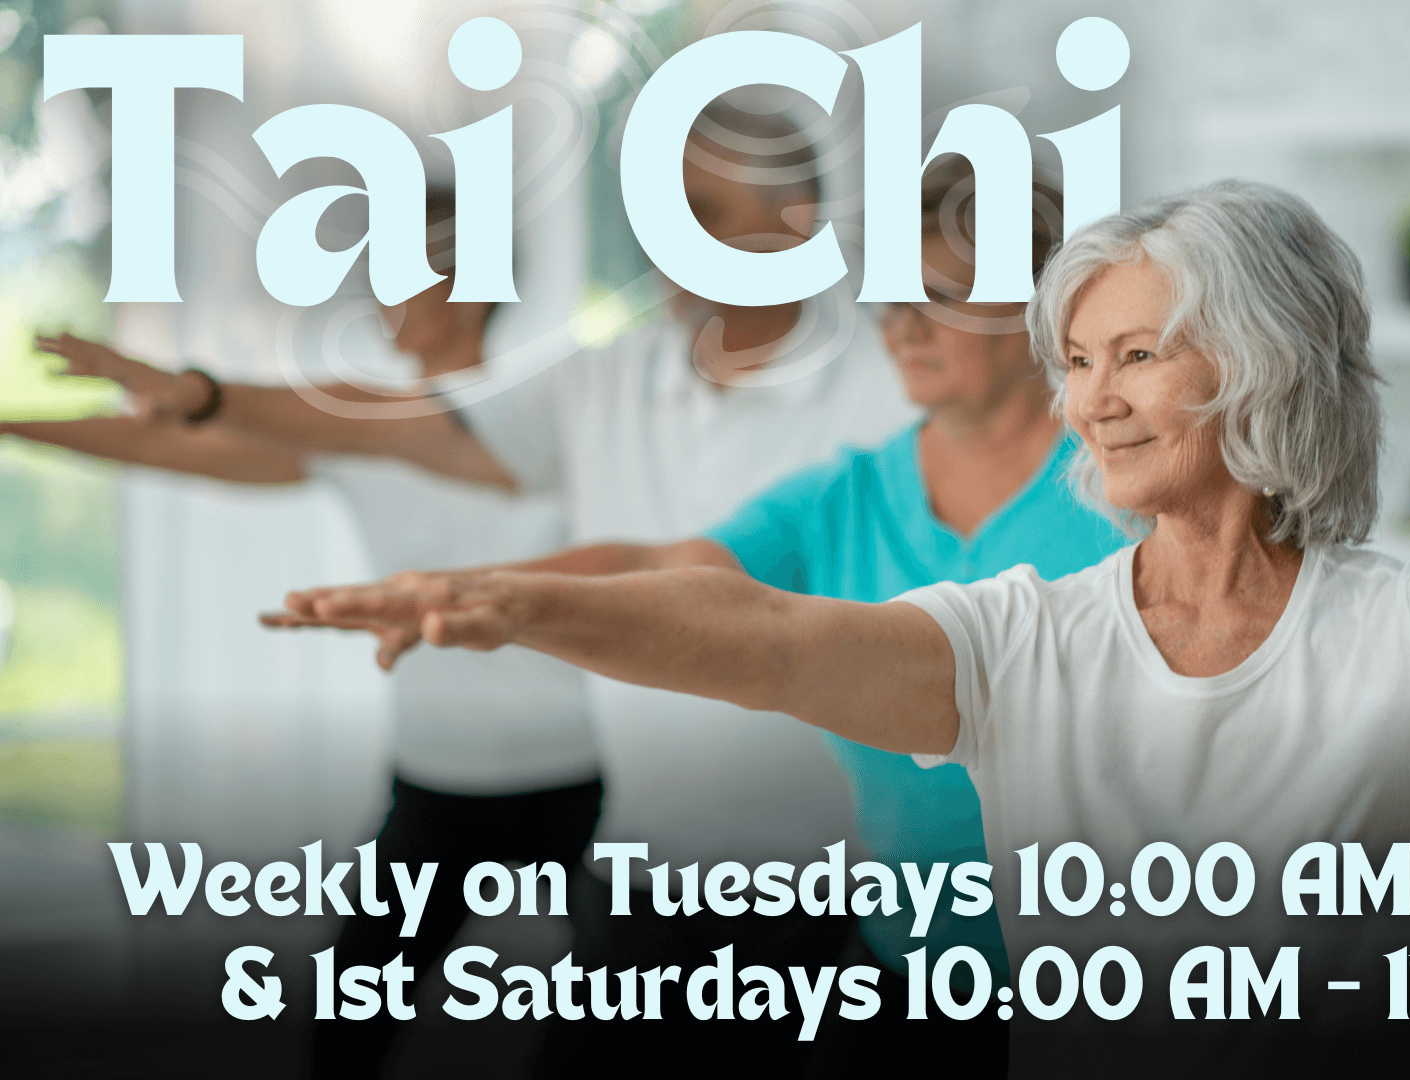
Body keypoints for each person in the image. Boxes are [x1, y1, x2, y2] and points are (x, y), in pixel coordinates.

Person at [268, 179, 1410, 1074]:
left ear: (1263, 366)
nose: (1096, 397)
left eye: (1139, 354)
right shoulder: (1014, 640)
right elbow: (757, 635)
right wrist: (507, 599)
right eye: (1083, 357)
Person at [35, 99, 919, 1064]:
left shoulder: (896, 387)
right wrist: (201, 394)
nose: (669, 244)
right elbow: (394, 427)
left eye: (702, 211)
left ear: (795, 228)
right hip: (643, 859)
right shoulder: (595, 383)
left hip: (845, 883)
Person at [310, 157, 1125, 1074]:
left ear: (1044, 313)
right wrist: (498, 596)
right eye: (891, 299)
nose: (902, 329)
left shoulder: (1133, 494)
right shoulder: (845, 495)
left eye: (938, 298)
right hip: (911, 979)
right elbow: (671, 569)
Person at [8, 193, 603, 1078]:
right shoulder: (348, 430)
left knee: (628, 1013)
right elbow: (164, 448)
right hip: (442, 779)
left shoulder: (561, 417)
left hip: (585, 778)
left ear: (472, 286)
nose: (380, 289)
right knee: (351, 1021)